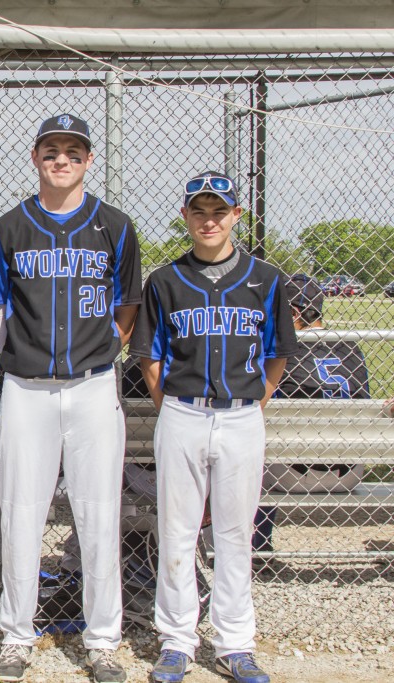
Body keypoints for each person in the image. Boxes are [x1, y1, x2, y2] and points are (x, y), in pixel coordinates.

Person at [0, 113, 141, 683]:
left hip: (94, 387)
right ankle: (16, 637)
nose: (62, 159)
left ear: (89, 159)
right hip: (27, 390)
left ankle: (102, 641)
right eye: (52, 150)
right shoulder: (8, 227)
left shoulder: (116, 227)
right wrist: (28, 355)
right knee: (22, 511)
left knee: (98, 512)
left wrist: (95, 352)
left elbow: (126, 310)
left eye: (74, 150)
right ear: (35, 156)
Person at [129, 171, 298, 683]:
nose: (209, 220)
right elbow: (149, 359)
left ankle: (235, 643)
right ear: (185, 216)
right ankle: (177, 640)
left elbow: (276, 356)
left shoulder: (265, 279)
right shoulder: (164, 280)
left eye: (219, 211)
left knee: (233, 534)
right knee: (177, 532)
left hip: (242, 415)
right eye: (199, 211)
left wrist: (255, 403)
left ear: (235, 217)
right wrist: (175, 408)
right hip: (182, 411)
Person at [253, 273, 370, 556]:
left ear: (291, 312)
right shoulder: (350, 346)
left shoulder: (280, 350)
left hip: (290, 473)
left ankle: (257, 542)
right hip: (350, 471)